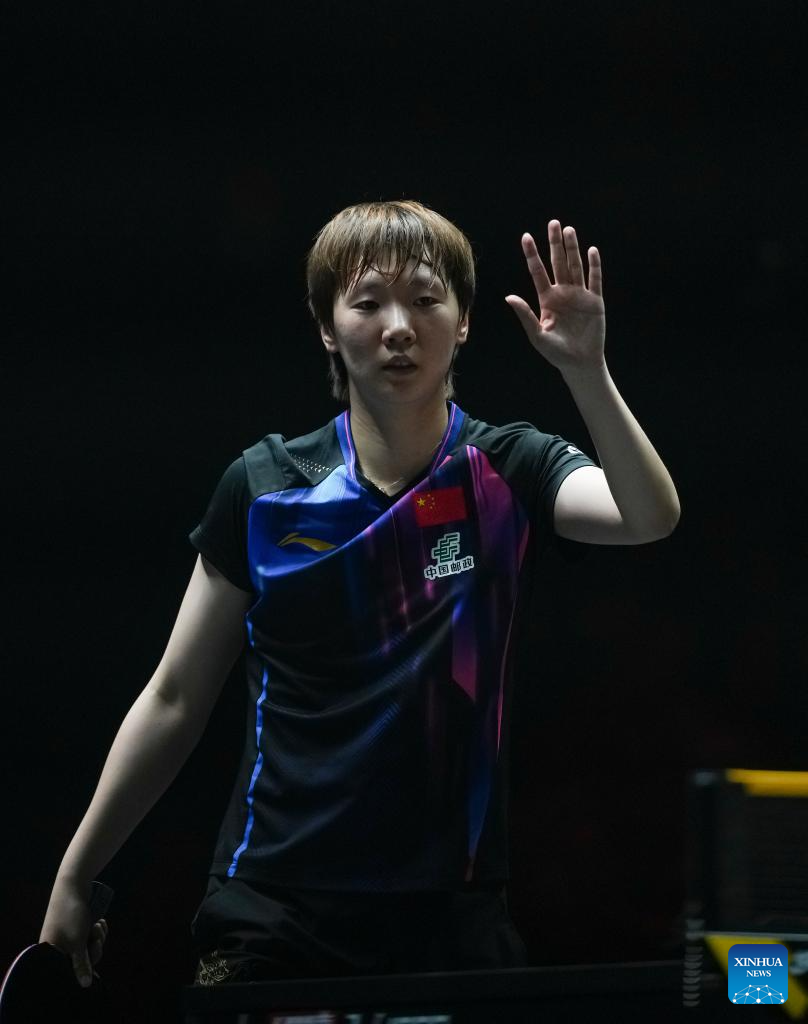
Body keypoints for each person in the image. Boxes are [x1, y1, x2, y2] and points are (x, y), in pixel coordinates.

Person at [39, 200, 680, 986]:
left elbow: (646, 516)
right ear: (326, 326)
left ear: (464, 320)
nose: (398, 327)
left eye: (425, 298)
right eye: (368, 303)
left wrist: (586, 372)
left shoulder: (507, 470)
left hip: (451, 909)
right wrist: (76, 873)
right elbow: (174, 699)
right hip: (276, 907)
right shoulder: (265, 489)